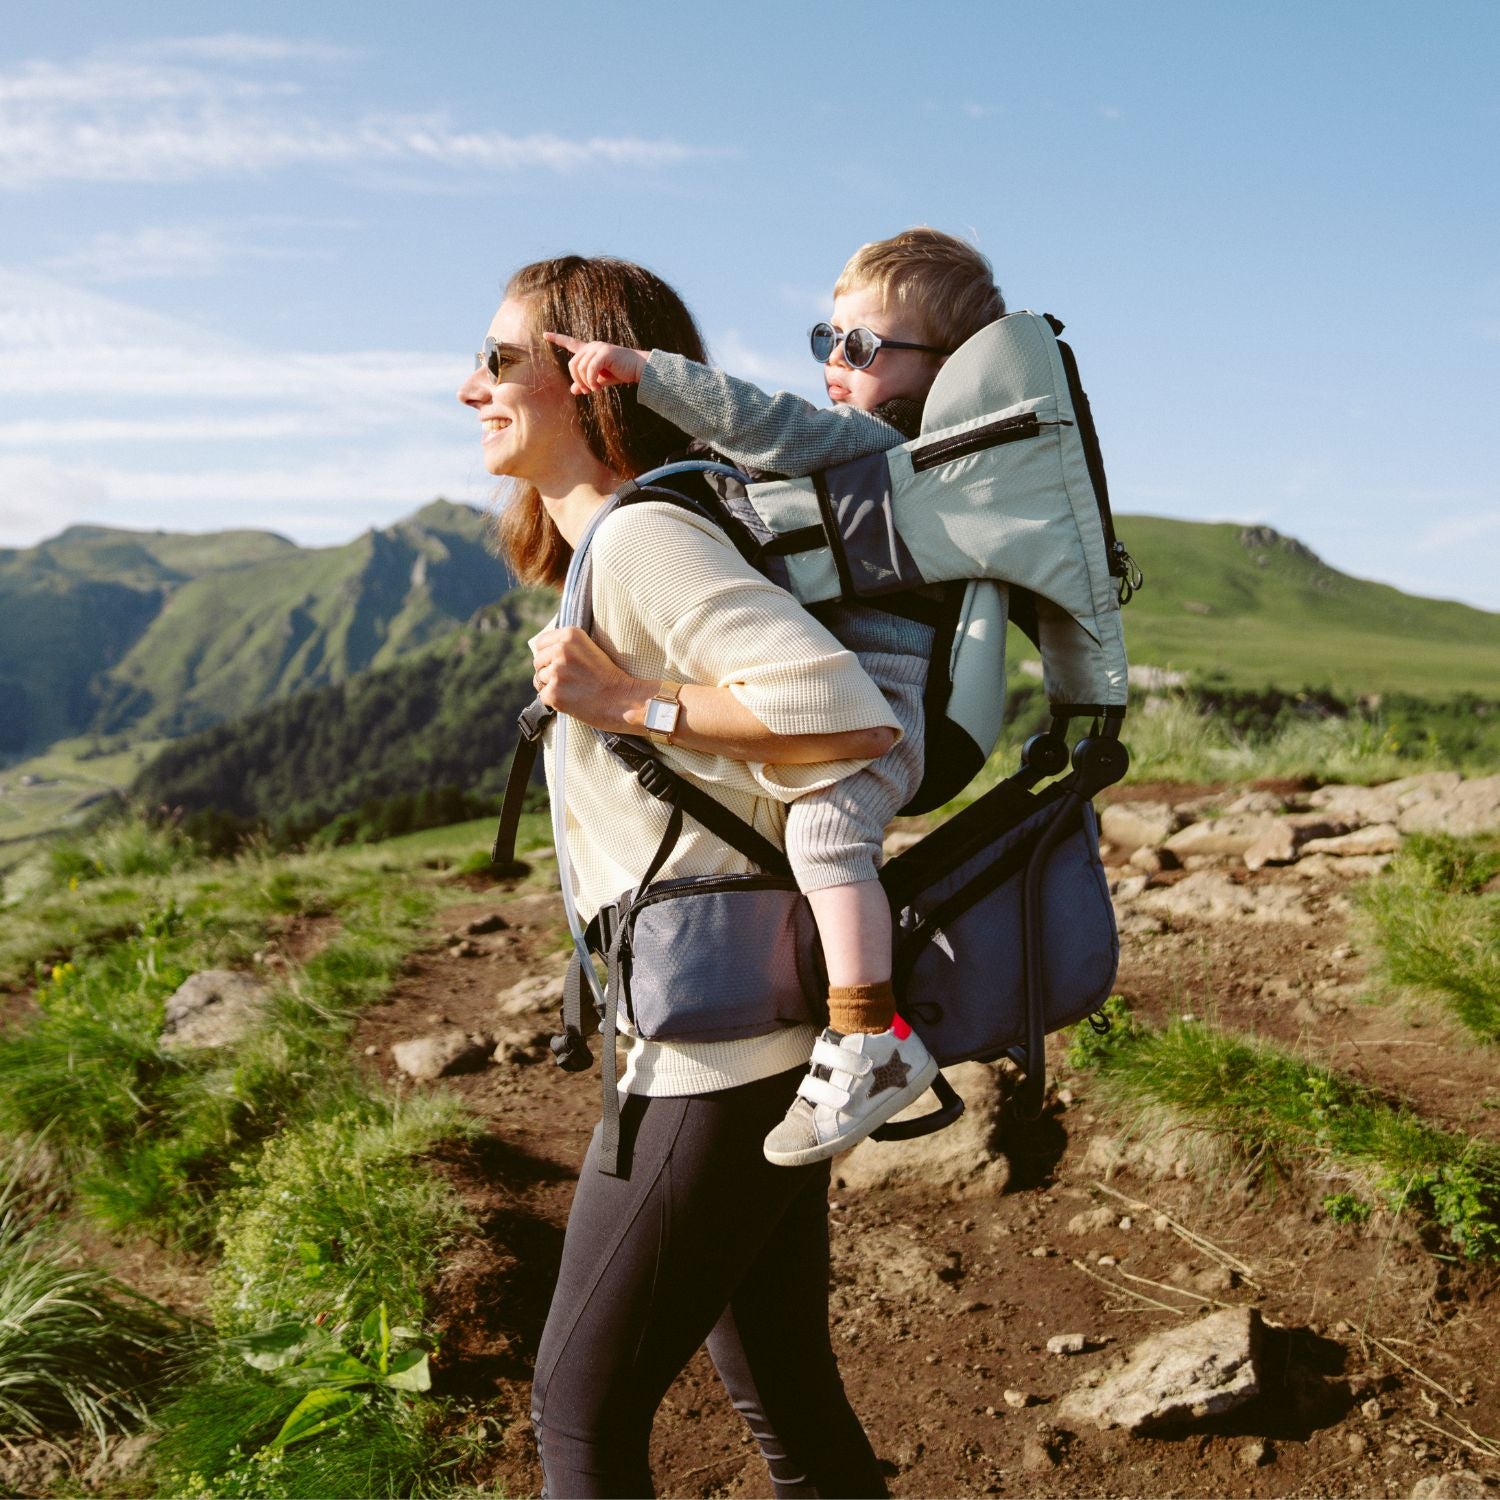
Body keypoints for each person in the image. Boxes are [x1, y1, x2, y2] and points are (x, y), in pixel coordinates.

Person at [457, 253, 897, 1498]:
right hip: (735, 1030)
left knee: (576, 1418)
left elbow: (845, 711)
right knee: (790, 1406)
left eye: (499, 360)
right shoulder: (616, 544)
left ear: (587, 374)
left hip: (715, 1059)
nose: (469, 387)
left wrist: (631, 702)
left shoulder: (646, 535)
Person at [545, 228, 1007, 1167]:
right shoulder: (895, 470)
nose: (837, 365)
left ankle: (869, 1037)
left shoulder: (882, 446)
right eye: (828, 340)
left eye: (864, 348)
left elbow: (769, 426)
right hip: (870, 700)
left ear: (944, 372)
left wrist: (645, 372)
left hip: (879, 712)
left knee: (826, 834)